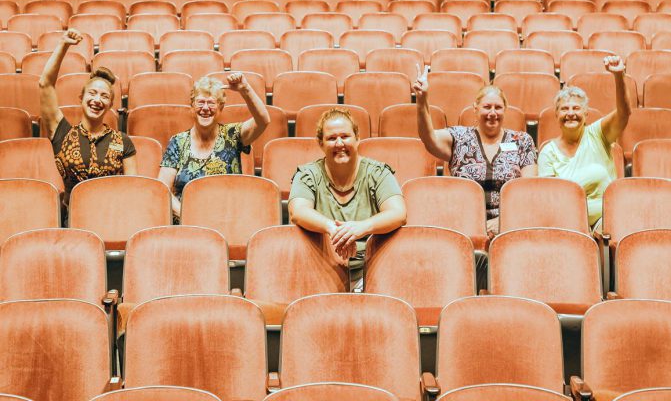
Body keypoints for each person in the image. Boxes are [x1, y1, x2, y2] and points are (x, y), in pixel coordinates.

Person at [288, 108, 407, 287]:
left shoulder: (378, 173)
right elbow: (298, 211)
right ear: (320, 143)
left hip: (373, 268)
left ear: (357, 138)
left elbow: (398, 213)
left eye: (345, 136)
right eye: (331, 138)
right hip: (321, 270)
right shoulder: (307, 174)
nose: (339, 143)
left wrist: (360, 228)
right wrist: (333, 230)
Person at [414, 67, 537, 238]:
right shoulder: (459, 137)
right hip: (462, 222)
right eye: (487, 107)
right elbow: (429, 138)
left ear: (505, 110)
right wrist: (422, 100)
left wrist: (503, 221)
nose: (492, 113)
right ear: (476, 108)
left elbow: (527, 191)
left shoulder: (522, 141)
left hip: (509, 224)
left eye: (498, 107)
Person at [39, 28, 137, 202]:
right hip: (74, 219)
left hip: (112, 216)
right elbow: (45, 84)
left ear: (110, 105)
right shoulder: (62, 133)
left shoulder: (122, 141)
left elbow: (132, 189)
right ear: (81, 98)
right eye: (92, 93)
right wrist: (62, 45)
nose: (97, 100)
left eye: (104, 96)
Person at [158, 73, 270, 220]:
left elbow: (263, 120)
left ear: (221, 107)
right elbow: (163, 188)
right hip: (187, 223)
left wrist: (245, 89)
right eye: (200, 102)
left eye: (211, 103)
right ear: (191, 106)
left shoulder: (233, 135)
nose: (205, 108)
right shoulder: (178, 141)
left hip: (229, 220)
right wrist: (187, 216)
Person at [538, 55, 631, 231]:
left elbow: (624, 113)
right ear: (557, 115)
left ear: (586, 114)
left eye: (576, 108)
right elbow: (551, 199)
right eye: (564, 109)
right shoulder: (547, 152)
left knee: (619, 227)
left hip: (606, 218)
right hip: (566, 222)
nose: (570, 113)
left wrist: (619, 76)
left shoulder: (597, 135)